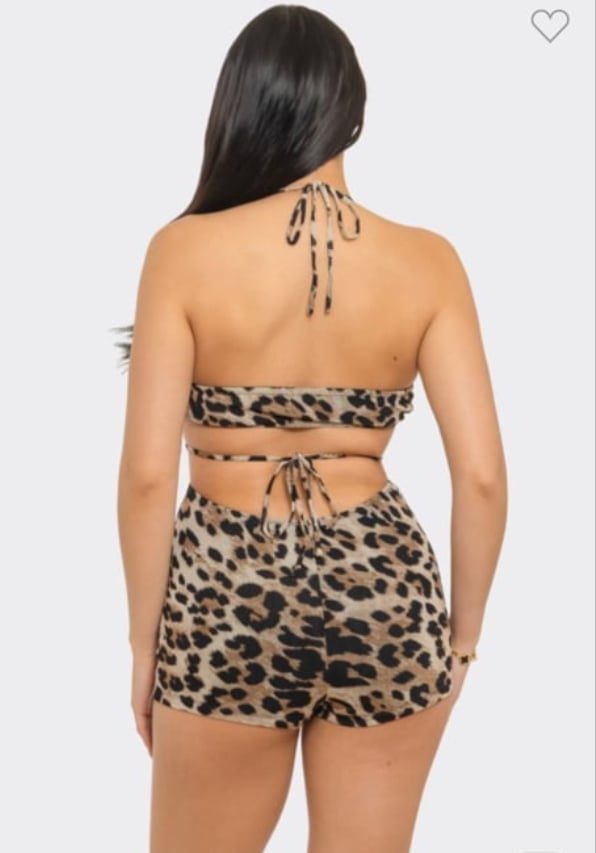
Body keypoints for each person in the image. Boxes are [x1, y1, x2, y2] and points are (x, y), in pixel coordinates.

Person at [115, 5, 507, 852]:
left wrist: (147, 646)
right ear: (352, 115)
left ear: (239, 107)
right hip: (386, 587)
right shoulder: (430, 261)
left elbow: (148, 476)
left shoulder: (181, 251)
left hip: (226, 587)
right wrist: (463, 641)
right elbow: (481, 475)